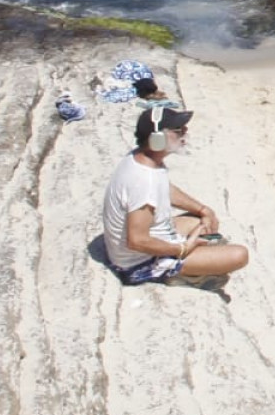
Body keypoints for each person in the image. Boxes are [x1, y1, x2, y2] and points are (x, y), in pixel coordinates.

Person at [101, 108, 251, 285]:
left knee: (204, 224)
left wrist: (203, 209)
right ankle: (178, 274)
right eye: (179, 130)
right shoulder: (143, 180)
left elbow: (164, 188)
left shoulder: (141, 158)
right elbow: (136, 241)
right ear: (157, 139)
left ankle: (195, 261)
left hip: (150, 242)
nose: (185, 133)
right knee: (239, 255)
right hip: (139, 263)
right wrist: (181, 249)